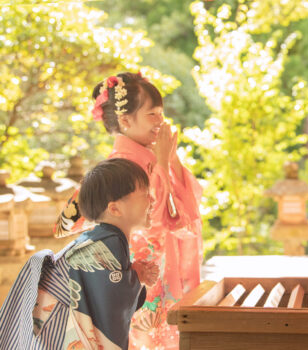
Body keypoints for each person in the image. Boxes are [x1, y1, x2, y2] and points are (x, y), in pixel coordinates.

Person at [54, 72, 203, 349]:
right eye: (152, 114)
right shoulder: (120, 167)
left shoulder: (152, 157)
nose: (161, 121)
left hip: (159, 266)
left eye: (161, 113)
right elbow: (151, 222)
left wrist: (170, 161)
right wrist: (161, 164)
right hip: (137, 271)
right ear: (125, 120)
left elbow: (184, 215)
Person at [0, 158, 160, 349]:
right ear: (114, 208)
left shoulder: (100, 239)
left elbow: (105, 288)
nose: (152, 200)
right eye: (145, 194)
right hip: (58, 328)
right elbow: (110, 296)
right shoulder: (109, 241)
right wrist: (136, 276)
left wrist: (132, 274)